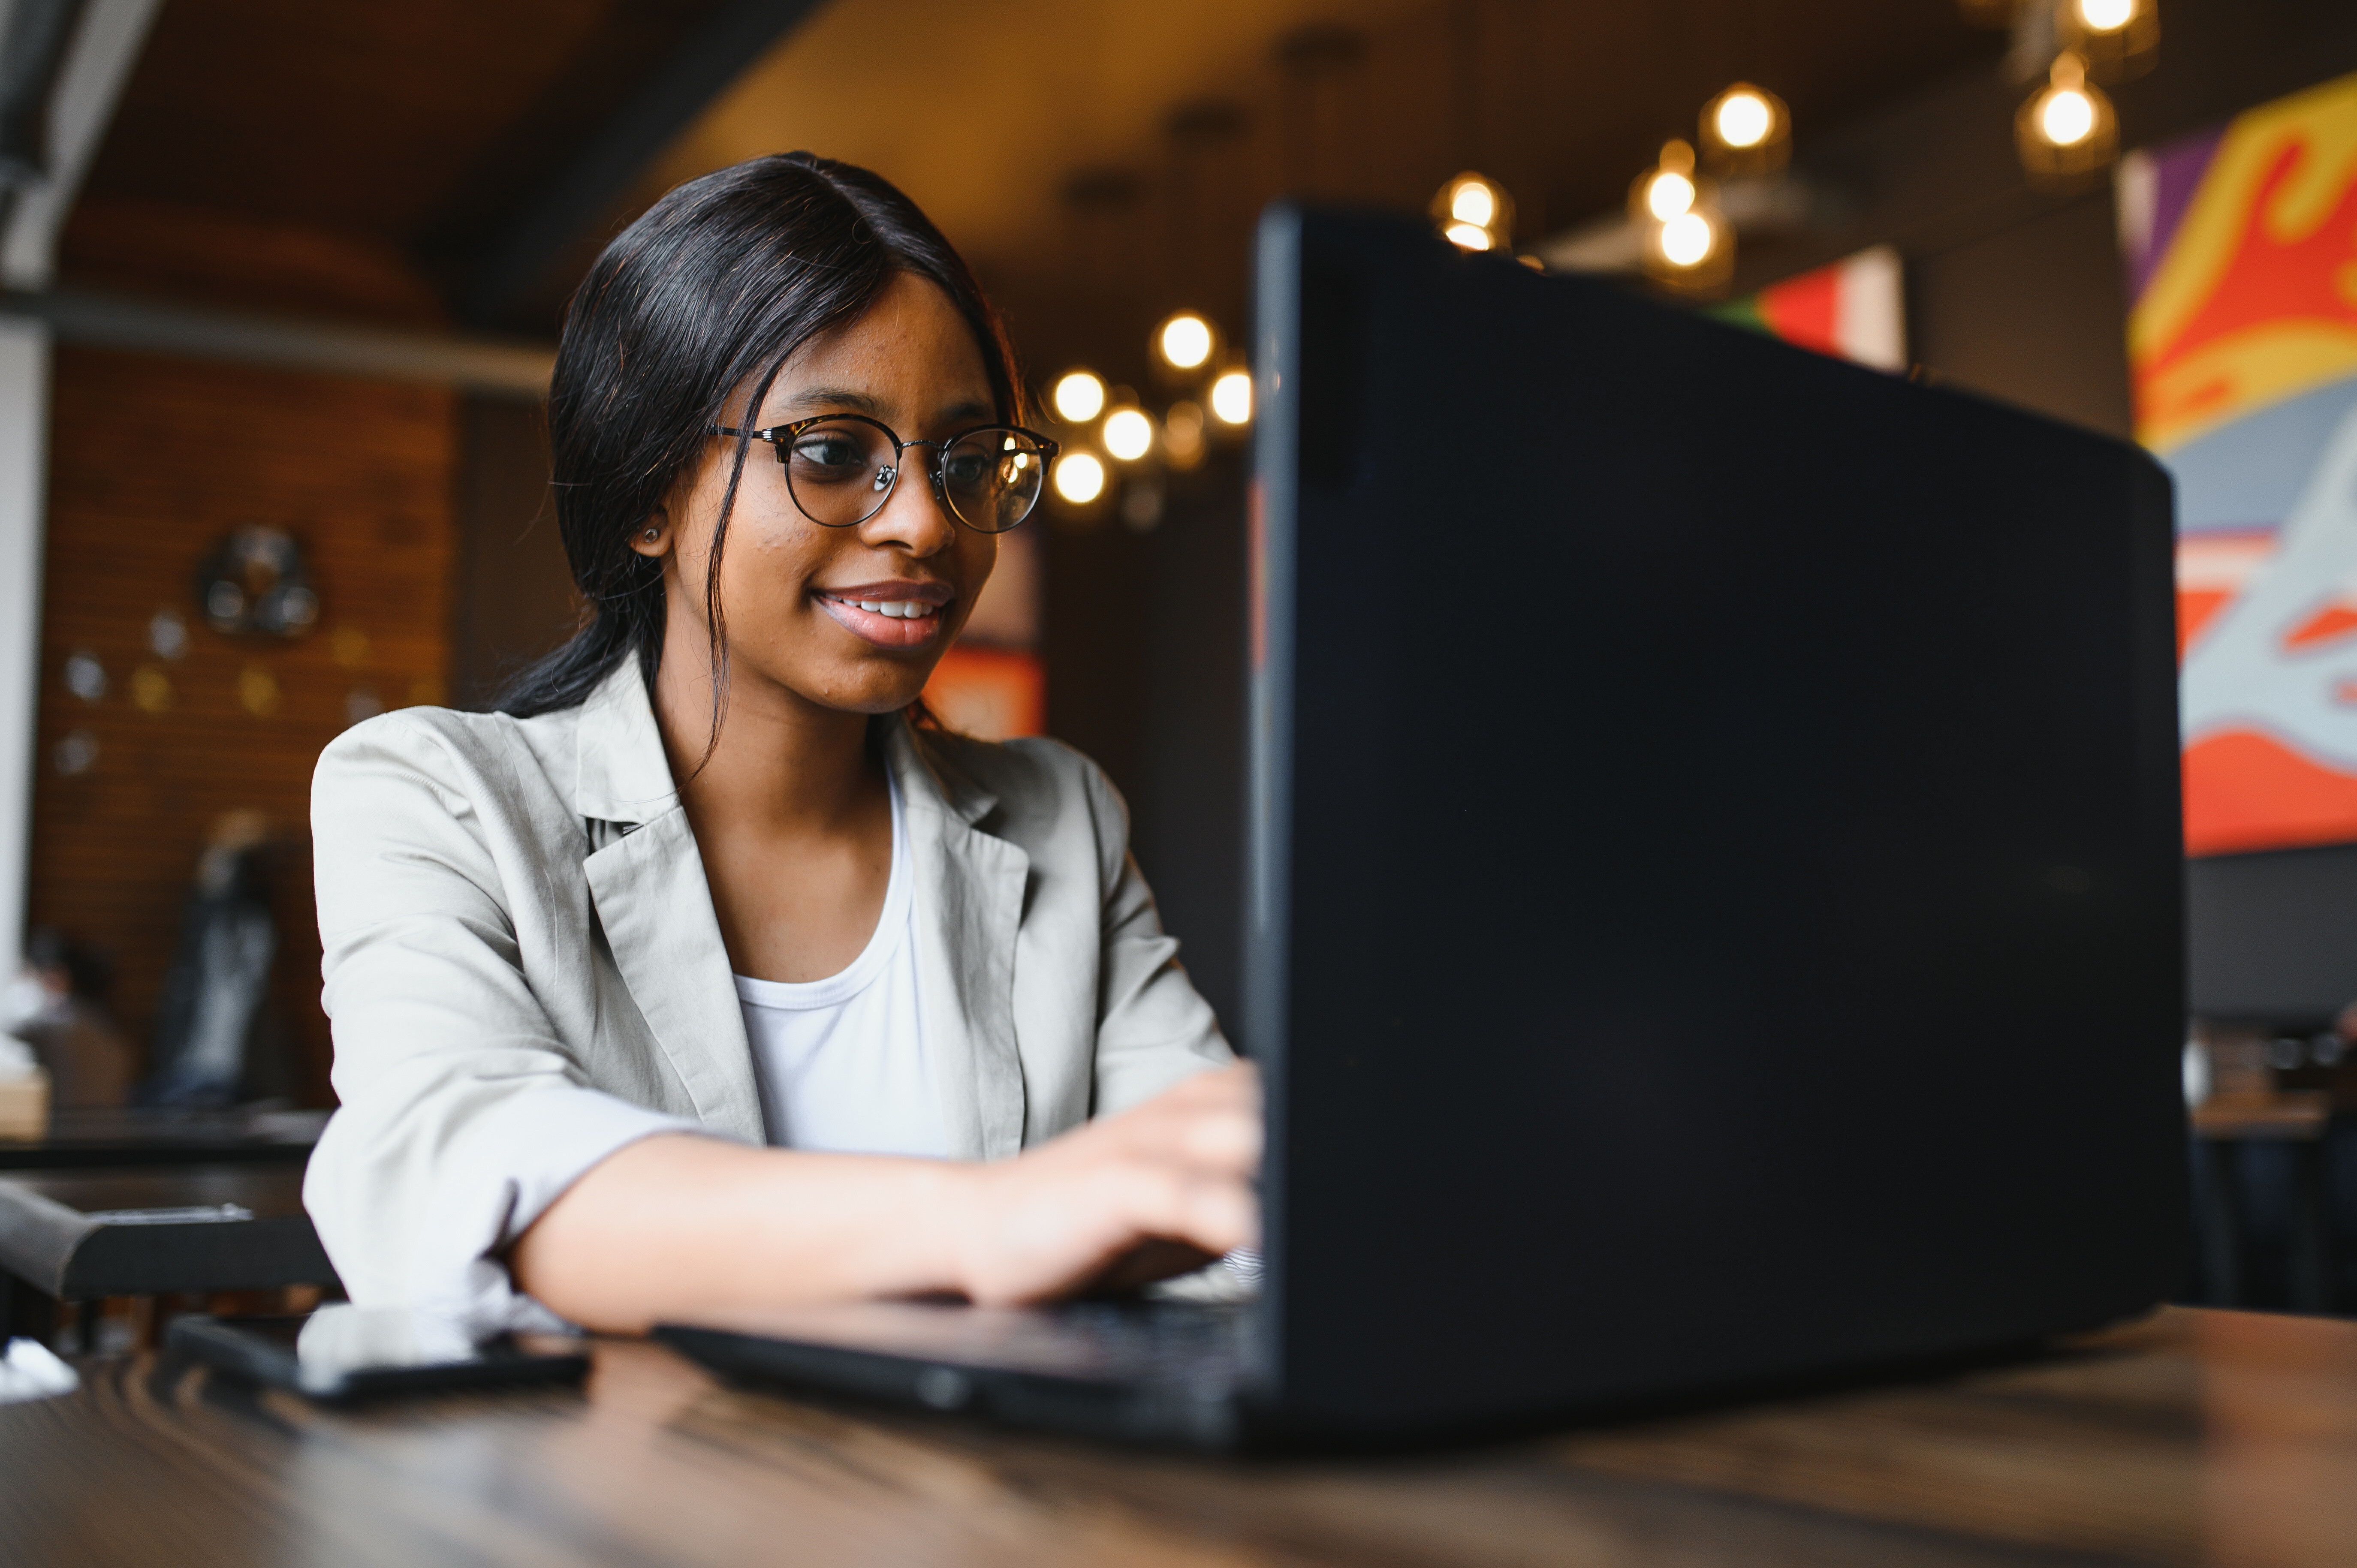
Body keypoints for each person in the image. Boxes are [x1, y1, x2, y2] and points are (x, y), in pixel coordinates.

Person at [303, 153, 1258, 1336]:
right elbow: (471, 1181)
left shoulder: (1059, 814)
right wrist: (993, 1223)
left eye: (966, 461)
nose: (922, 522)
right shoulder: (438, 801)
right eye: (830, 452)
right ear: (648, 494)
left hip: (996, 1512)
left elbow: (1225, 1197)